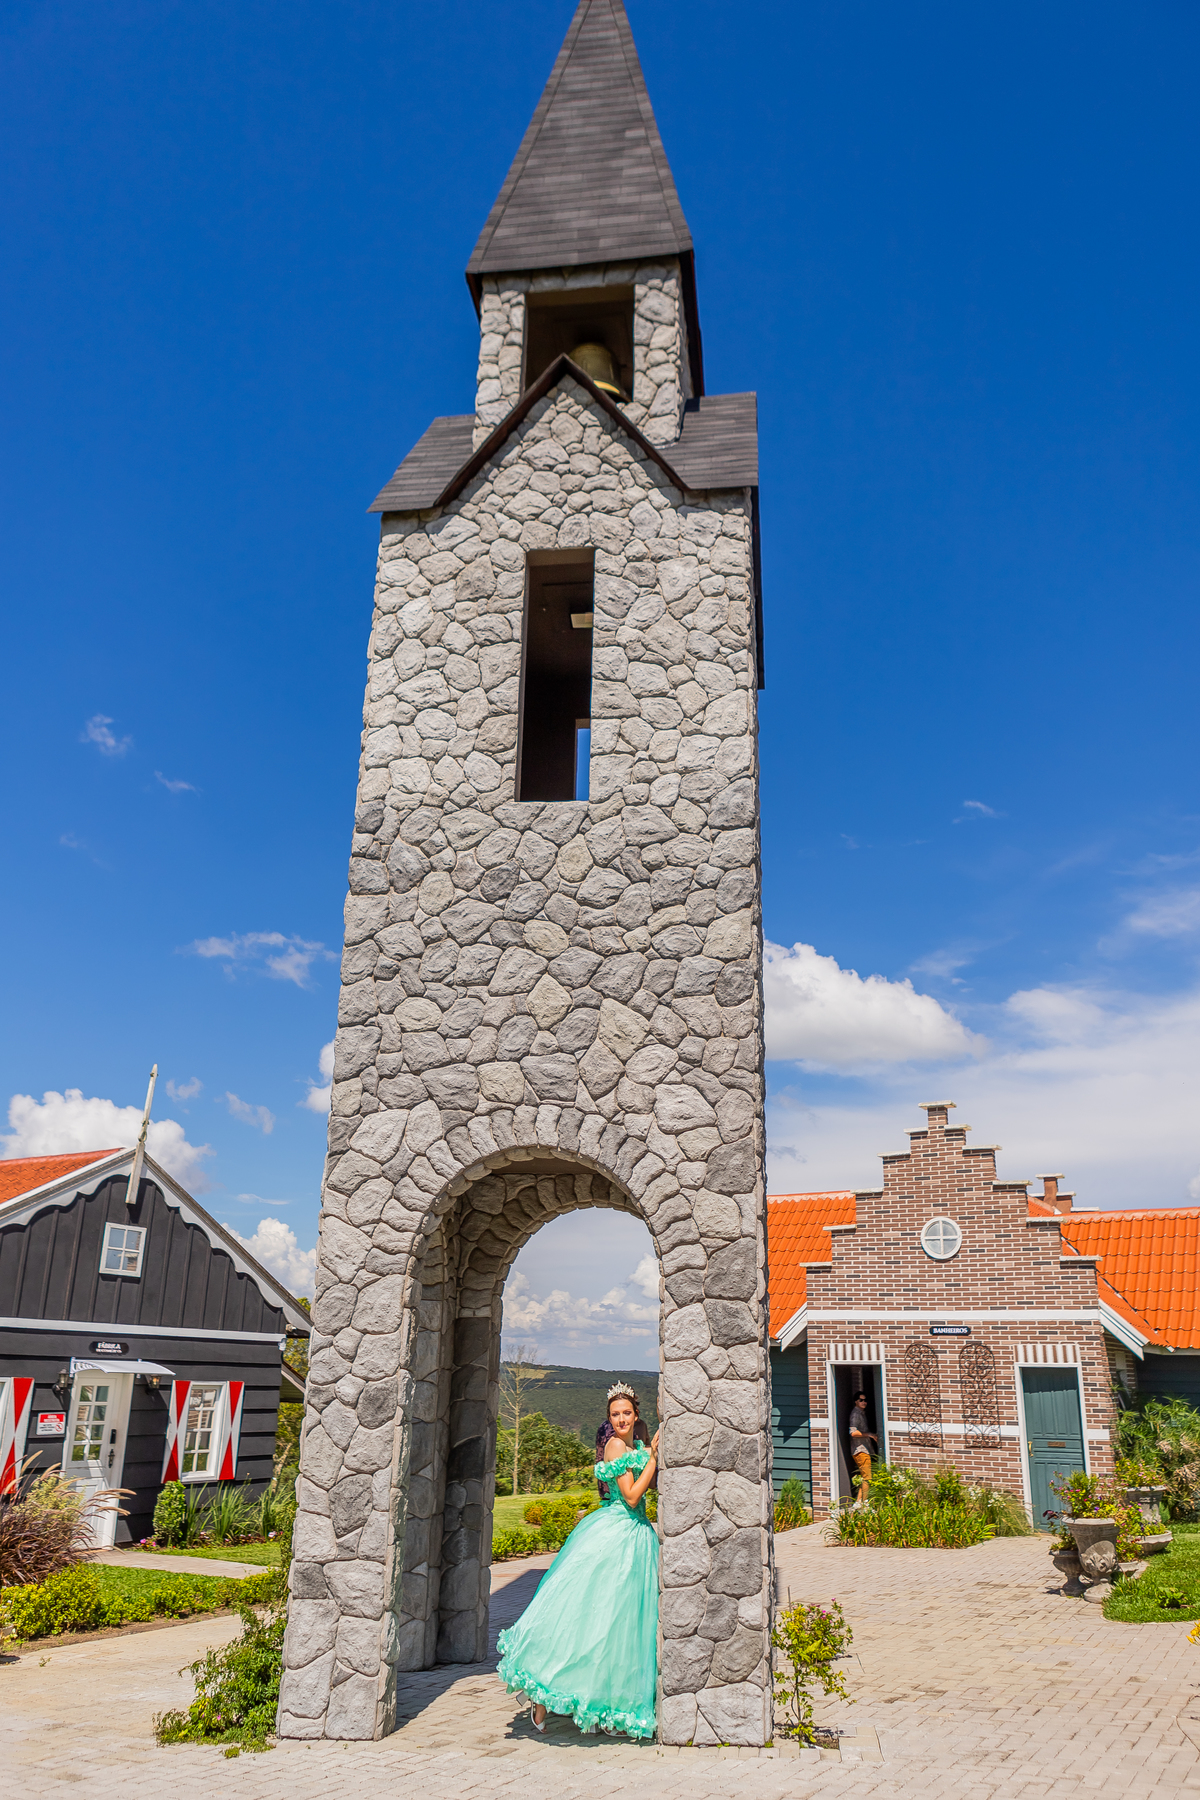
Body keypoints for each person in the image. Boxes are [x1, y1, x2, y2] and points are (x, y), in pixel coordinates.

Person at [496, 1381, 660, 1740]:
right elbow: (632, 1497)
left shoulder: (635, 1443)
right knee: (589, 1621)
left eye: (626, 1413)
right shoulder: (615, 1446)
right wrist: (653, 1458)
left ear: (636, 1414)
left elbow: (646, 1481)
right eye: (615, 1415)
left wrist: (649, 1448)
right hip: (616, 1534)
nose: (621, 1419)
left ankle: (609, 1708)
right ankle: (546, 1695)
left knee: (615, 1627)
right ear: (609, 1419)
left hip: (637, 1536)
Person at [848, 1390, 877, 1504]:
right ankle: (865, 1504)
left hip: (865, 1449)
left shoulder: (861, 1413)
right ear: (856, 1401)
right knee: (867, 1478)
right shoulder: (856, 1414)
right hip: (860, 1450)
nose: (864, 1402)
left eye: (865, 1400)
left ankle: (858, 1502)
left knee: (864, 1477)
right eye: (861, 1400)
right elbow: (853, 1432)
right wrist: (869, 1434)